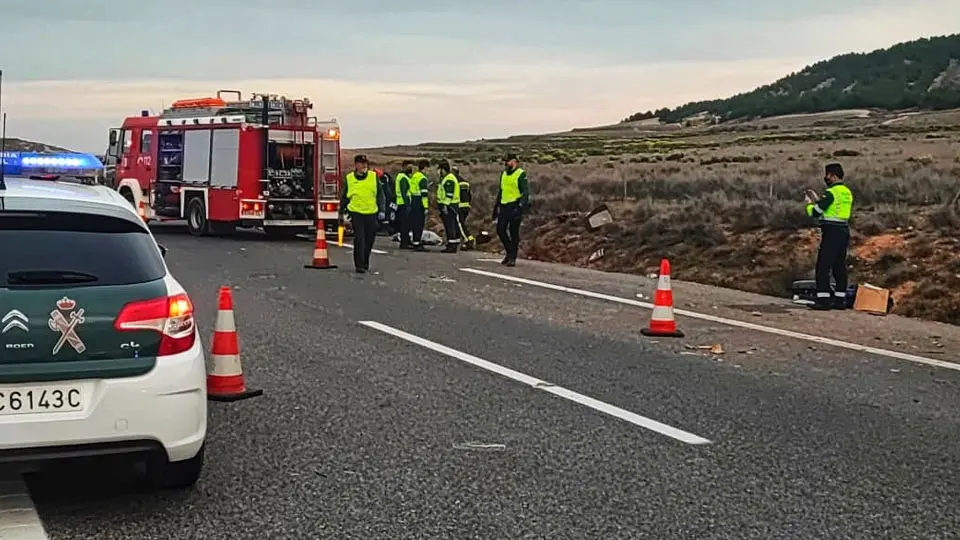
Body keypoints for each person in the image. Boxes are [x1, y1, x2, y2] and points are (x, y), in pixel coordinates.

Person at [805, 162, 854, 310]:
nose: (826, 178)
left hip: (831, 232)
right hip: (844, 230)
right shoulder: (846, 192)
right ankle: (840, 300)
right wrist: (818, 200)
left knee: (823, 266)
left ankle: (823, 299)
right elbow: (832, 208)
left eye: (827, 175)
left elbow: (816, 212)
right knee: (839, 266)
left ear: (831, 175)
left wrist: (809, 204)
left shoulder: (831, 193)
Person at [339, 155, 386, 273]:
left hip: (371, 213)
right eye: (361, 163)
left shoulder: (373, 177)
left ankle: (365, 261)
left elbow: (380, 195)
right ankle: (359, 265)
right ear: (356, 165)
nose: (364, 165)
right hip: (356, 213)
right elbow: (344, 197)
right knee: (359, 238)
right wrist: (341, 212)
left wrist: (382, 210)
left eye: (365, 163)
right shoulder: (350, 178)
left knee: (369, 239)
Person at [492, 153, 530, 266]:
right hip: (504, 206)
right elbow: (501, 191)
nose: (506, 163)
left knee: (514, 232)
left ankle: (512, 257)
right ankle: (509, 252)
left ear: (514, 161)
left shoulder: (520, 174)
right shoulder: (504, 174)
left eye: (508, 161)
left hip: (515, 206)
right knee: (500, 230)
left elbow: (525, 192)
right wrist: (496, 207)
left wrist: (521, 205)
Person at [435, 160, 461, 253]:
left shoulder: (449, 179)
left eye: (440, 170)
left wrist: (445, 205)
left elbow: (449, 194)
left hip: (450, 206)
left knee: (450, 226)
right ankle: (452, 244)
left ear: (443, 169)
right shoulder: (447, 178)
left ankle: (452, 245)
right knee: (451, 225)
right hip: (449, 205)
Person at [408, 159, 430, 251]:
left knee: (414, 223)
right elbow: (424, 195)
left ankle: (415, 241)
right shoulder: (423, 179)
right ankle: (417, 243)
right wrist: (425, 207)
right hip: (419, 203)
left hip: (413, 201)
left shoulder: (415, 176)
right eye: (428, 168)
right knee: (419, 224)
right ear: (424, 168)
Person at [395, 161, 414, 249]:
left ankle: (406, 240)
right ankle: (404, 242)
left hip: (402, 203)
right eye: (408, 167)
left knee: (406, 224)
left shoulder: (404, 177)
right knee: (405, 225)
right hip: (403, 204)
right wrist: (408, 205)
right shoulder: (403, 178)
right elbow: (404, 192)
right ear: (403, 167)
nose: (410, 169)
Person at [454, 166, 475, 247]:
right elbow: (470, 195)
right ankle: (459, 240)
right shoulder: (466, 182)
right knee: (460, 223)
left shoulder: (455, 182)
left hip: (459, 205)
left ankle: (469, 239)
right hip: (466, 206)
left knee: (460, 224)